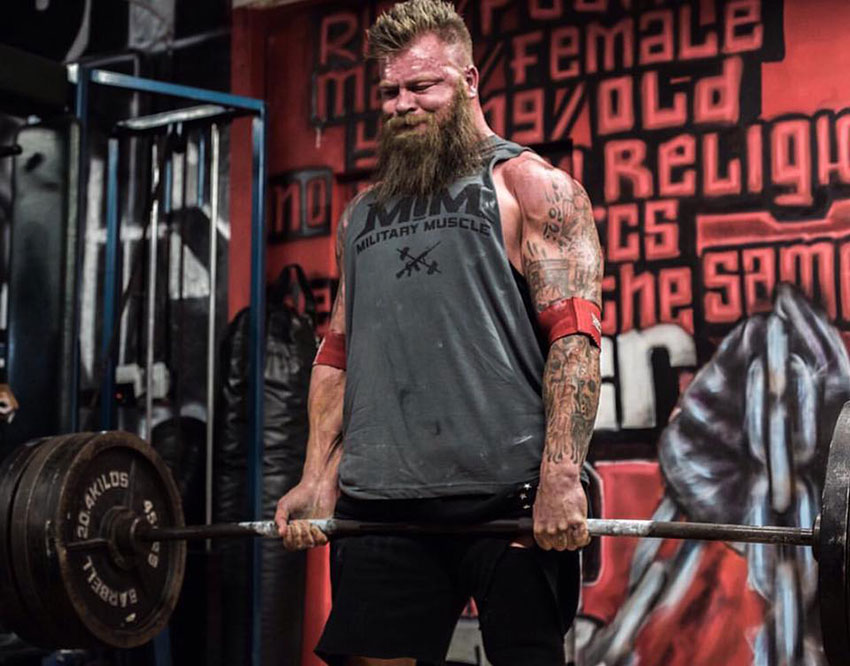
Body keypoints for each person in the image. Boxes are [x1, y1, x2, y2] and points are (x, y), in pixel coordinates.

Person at [275, 1, 602, 664]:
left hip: (507, 500)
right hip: (383, 501)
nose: (402, 105)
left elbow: (573, 337)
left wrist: (562, 475)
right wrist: (316, 476)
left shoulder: (530, 187)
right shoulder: (361, 216)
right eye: (390, 90)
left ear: (471, 79)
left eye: (423, 86)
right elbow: (338, 354)